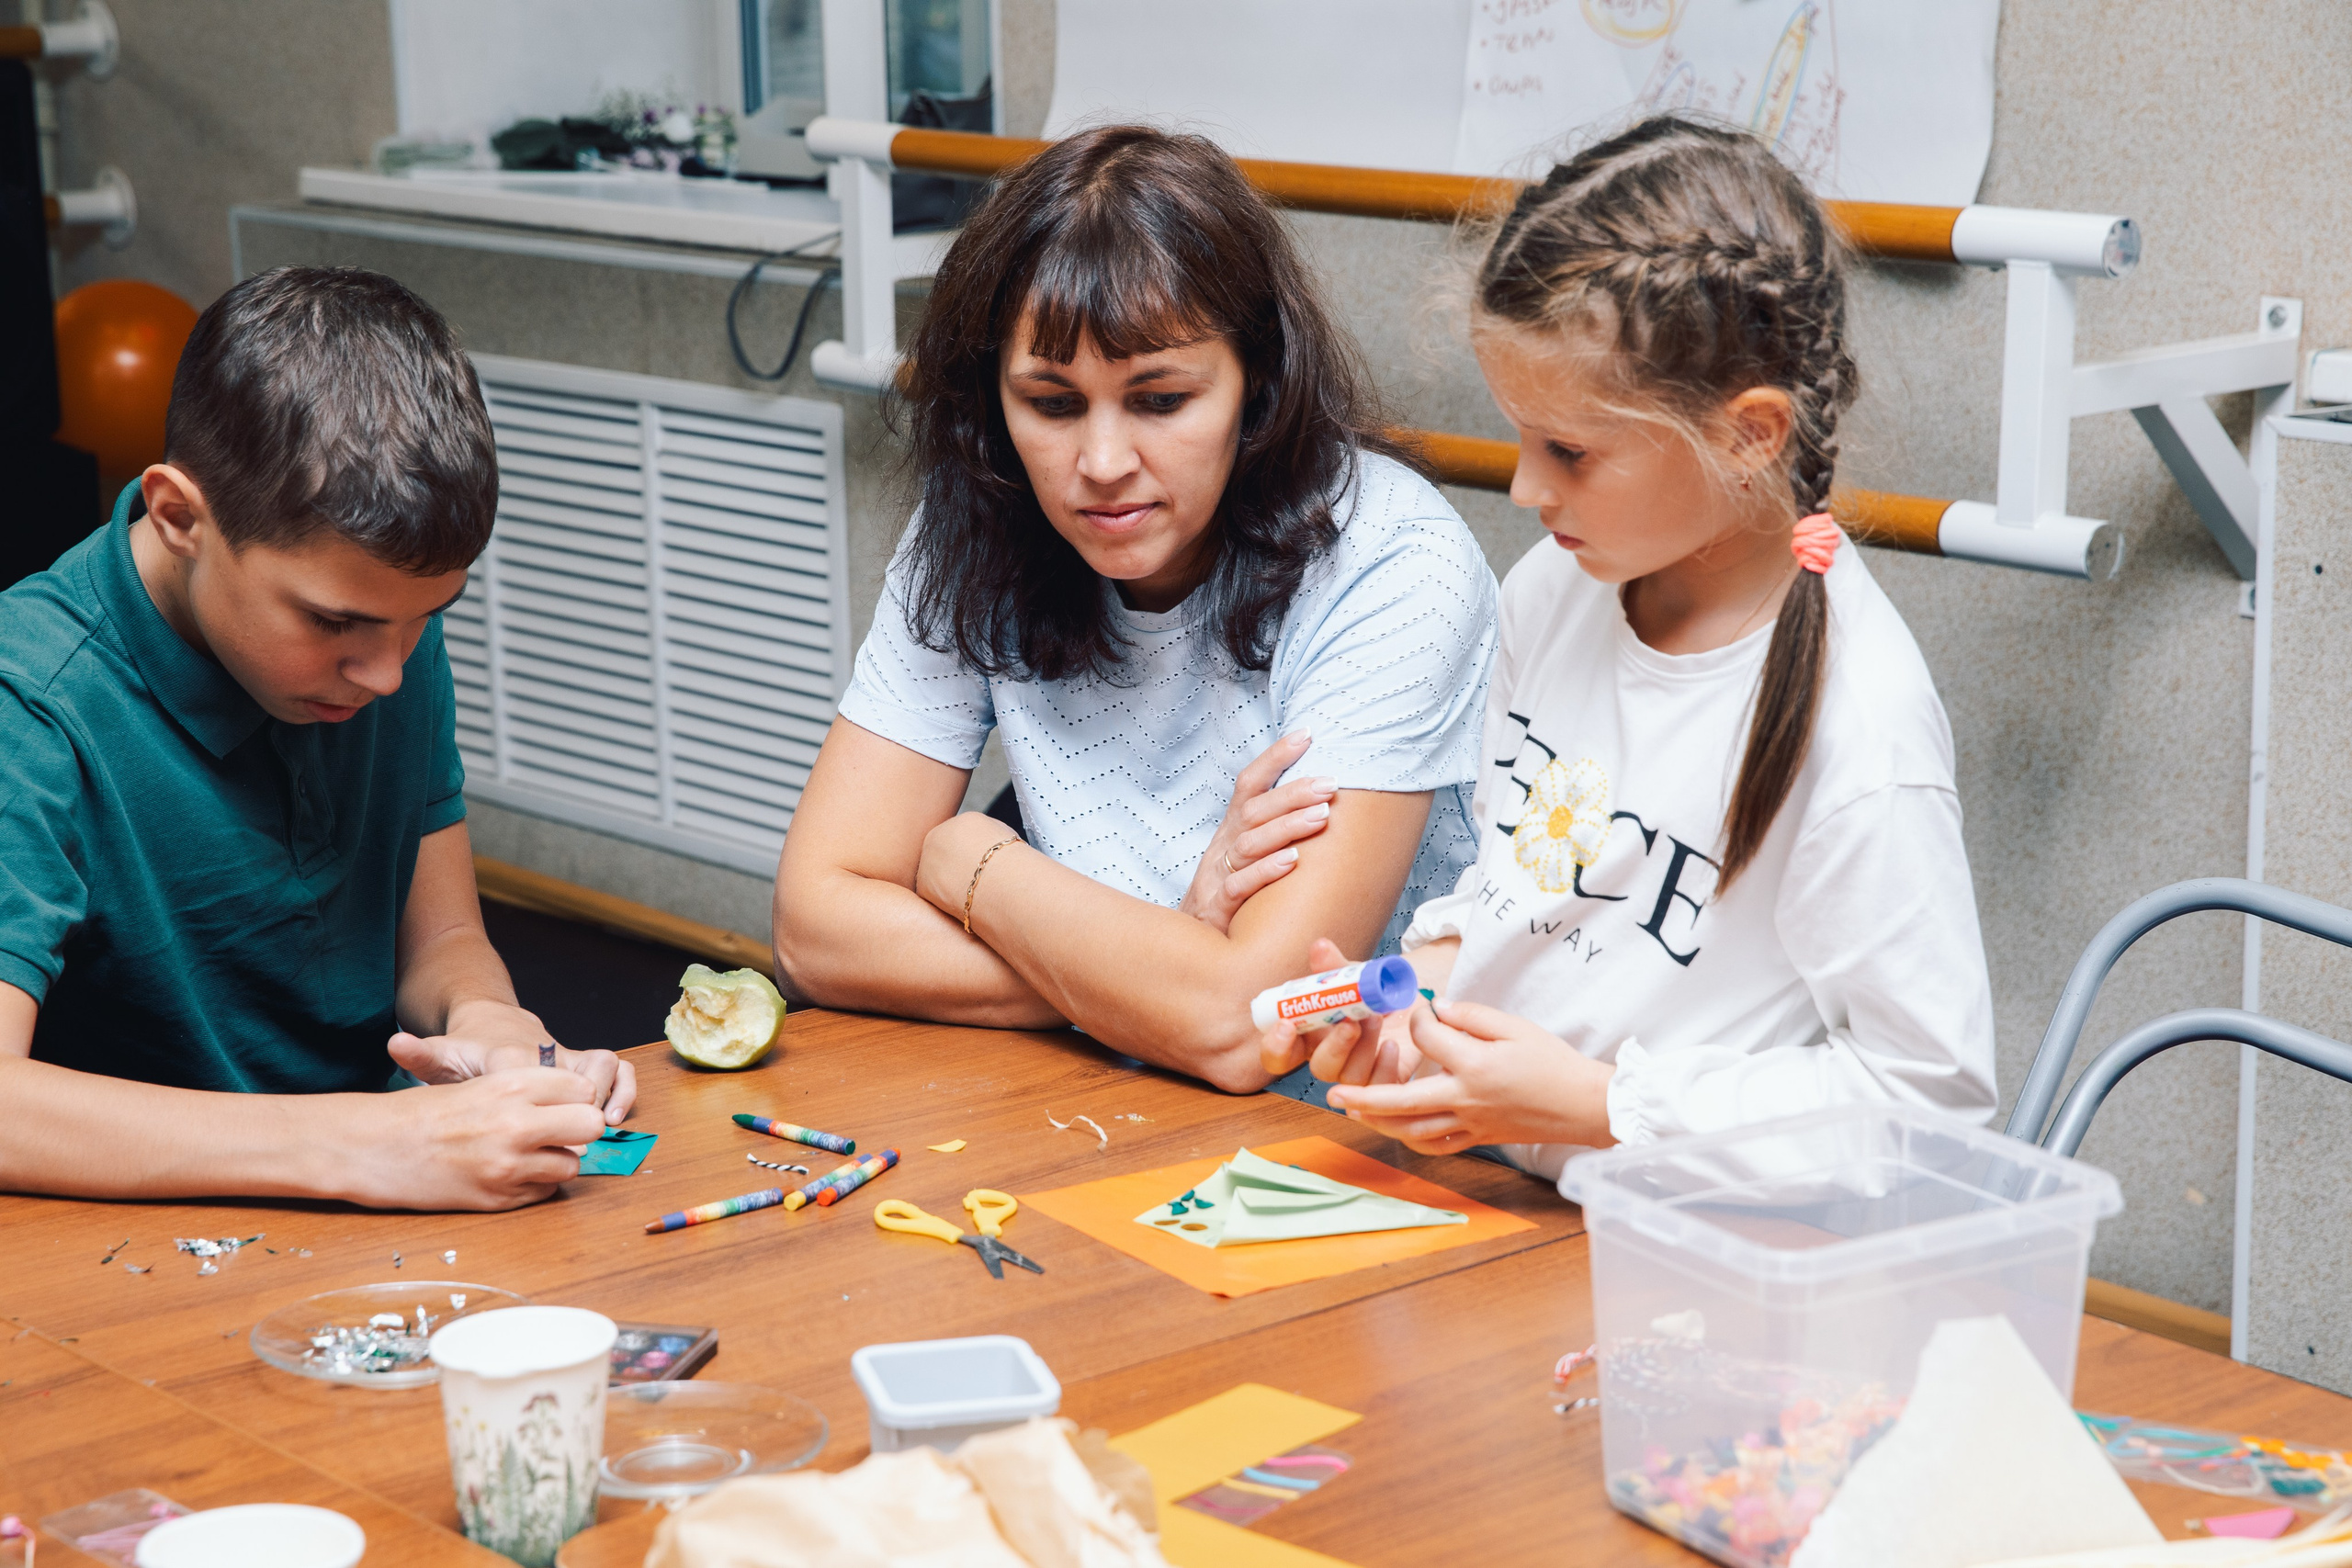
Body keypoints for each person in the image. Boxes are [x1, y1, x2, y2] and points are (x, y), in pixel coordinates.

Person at [1261, 118, 1997, 1177]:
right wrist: (1417, 1002)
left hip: (1696, 1271)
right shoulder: (1556, 584)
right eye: (1521, 436)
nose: (1525, 488)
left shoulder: (1861, 724)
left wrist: (1606, 1105)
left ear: (1748, 434)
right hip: (1502, 1211)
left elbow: (1927, 1106)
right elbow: (1529, 894)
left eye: (1567, 450)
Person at [775, 126, 1497, 1092]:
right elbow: (815, 929)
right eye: (1053, 404)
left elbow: (1256, 1026)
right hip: (1117, 1086)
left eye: (1159, 400)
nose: (1103, 464)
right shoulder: (973, 521)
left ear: (1258, 386)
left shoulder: (1390, 559)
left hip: (1367, 1136)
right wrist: (1165, 956)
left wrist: (971, 860)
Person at [0, 265, 633, 1210]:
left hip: (372, 1206)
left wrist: (495, 1024)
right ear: (179, 518)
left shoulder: (382, 619)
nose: (386, 673)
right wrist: (366, 1144)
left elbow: (444, 938)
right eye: (335, 625)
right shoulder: (30, 703)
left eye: (428, 616)